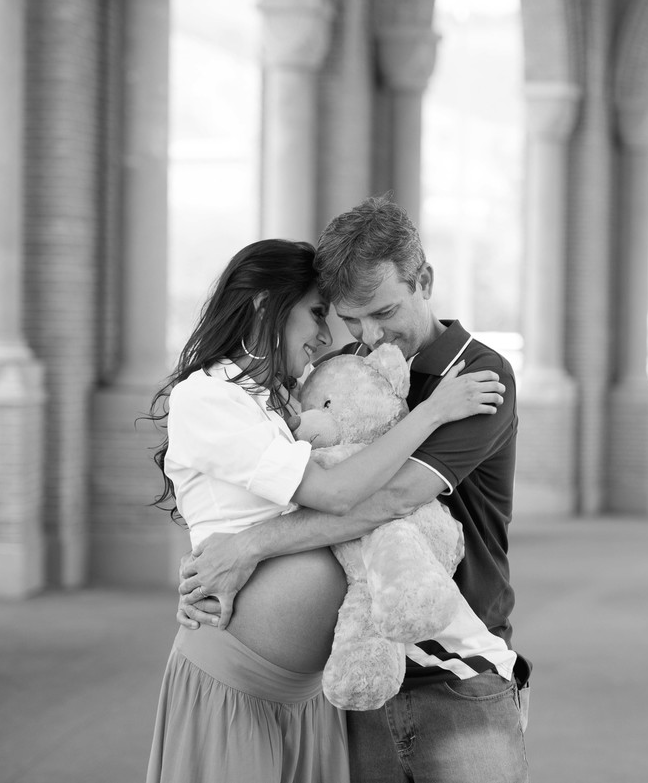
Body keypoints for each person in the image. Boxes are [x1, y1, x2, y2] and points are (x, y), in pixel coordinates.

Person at [178, 197, 530, 783]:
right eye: (352, 319)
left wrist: (248, 549)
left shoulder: (475, 377)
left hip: (458, 672)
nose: (371, 335)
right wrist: (212, 553)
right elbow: (277, 476)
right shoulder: (344, 369)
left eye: (385, 311)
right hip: (348, 686)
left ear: (424, 281)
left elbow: (392, 499)